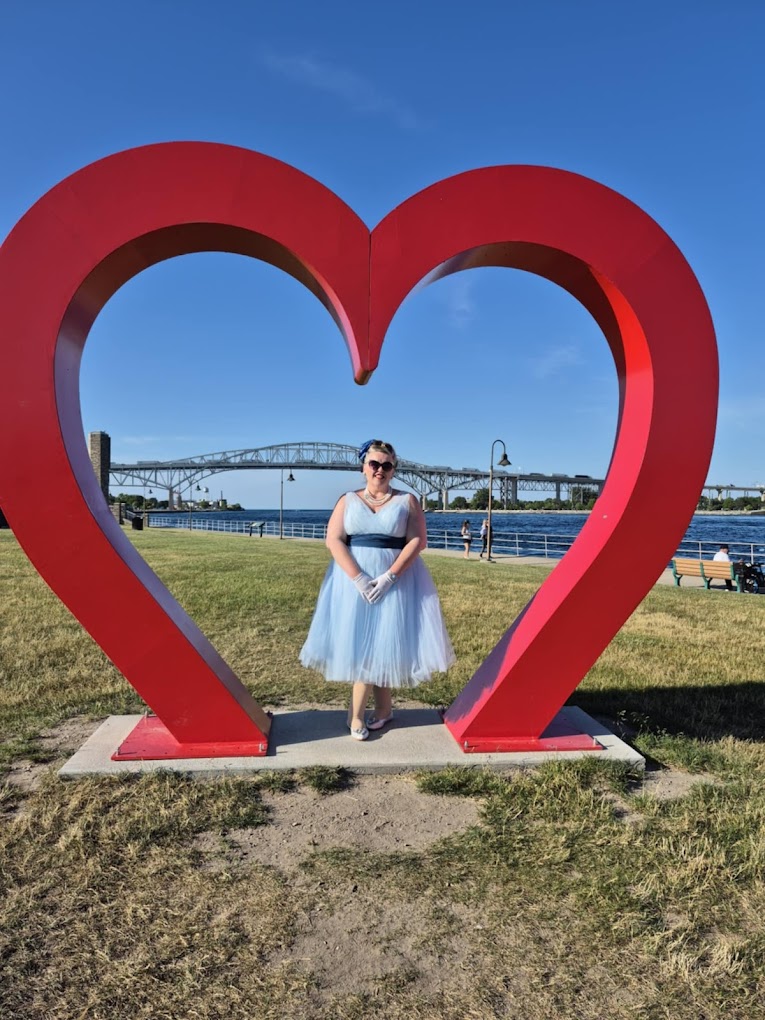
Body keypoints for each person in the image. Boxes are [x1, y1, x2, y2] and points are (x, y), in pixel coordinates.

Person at [299, 439, 456, 740]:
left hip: (394, 581)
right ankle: (383, 710)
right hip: (351, 583)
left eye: (387, 465)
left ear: (394, 469)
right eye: (374, 464)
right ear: (363, 467)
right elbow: (334, 539)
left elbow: (417, 541)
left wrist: (390, 577)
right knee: (366, 643)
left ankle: (356, 715)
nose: (380, 470)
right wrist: (357, 577)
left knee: (379, 642)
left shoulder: (407, 501)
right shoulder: (347, 499)